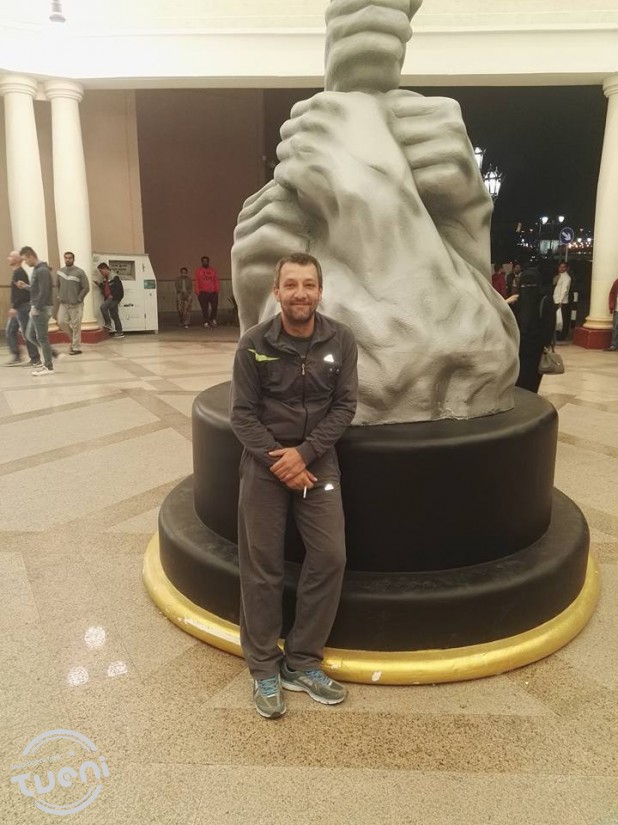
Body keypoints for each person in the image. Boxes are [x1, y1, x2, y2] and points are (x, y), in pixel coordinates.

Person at [230, 252, 358, 719]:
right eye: (291, 285)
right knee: (262, 565)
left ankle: (302, 660)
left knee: (330, 556)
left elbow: (344, 407)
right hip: (264, 464)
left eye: (308, 285)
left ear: (320, 291)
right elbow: (241, 415)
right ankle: (264, 666)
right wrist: (281, 461)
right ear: (276, 291)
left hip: (316, 463)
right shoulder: (253, 343)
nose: (300, 293)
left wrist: (304, 454)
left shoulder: (341, 340)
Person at [511, 267, 556, 393]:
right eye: (525, 285)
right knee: (531, 383)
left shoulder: (518, 302)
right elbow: (549, 327)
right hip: (535, 349)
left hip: (520, 348)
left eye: (531, 284)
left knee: (519, 382)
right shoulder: (545, 300)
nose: (528, 288)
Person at [19, 246, 55, 375]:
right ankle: (51, 353)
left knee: (41, 337)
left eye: (25, 259)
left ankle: (48, 366)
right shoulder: (37, 269)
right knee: (30, 335)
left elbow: (44, 292)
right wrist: (26, 286)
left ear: (31, 256)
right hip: (38, 307)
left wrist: (37, 307)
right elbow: (36, 290)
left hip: (42, 308)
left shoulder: (42, 270)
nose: (25, 263)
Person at [4, 250, 40, 367]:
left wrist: (14, 307)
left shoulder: (20, 273)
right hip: (18, 306)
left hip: (22, 307)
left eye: (11, 256)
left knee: (26, 333)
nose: (8, 258)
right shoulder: (16, 272)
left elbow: (22, 293)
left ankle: (35, 358)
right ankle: (17, 356)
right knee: (10, 331)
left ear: (17, 259)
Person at [56, 251, 90, 354]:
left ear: (73, 259)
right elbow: (58, 285)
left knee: (76, 326)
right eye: (66, 258)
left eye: (70, 258)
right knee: (61, 322)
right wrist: (59, 295)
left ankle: (76, 348)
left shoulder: (80, 272)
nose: (68, 259)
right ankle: (73, 339)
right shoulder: (60, 272)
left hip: (76, 304)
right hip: (63, 304)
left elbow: (86, 287)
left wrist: (79, 298)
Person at [94, 263, 124, 338]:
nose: (101, 273)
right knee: (114, 315)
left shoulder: (114, 277)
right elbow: (105, 287)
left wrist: (114, 297)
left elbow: (119, 289)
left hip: (113, 298)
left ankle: (108, 324)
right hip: (109, 298)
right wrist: (99, 284)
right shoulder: (106, 278)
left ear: (105, 269)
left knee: (103, 307)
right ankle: (120, 332)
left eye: (101, 271)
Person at [193, 256, 220, 327]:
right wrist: (197, 291)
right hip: (203, 292)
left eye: (206, 261)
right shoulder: (198, 271)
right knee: (205, 308)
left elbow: (216, 280)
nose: (205, 262)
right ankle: (206, 321)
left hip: (213, 292)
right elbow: (196, 281)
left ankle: (212, 319)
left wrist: (217, 289)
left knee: (214, 307)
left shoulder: (213, 270)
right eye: (204, 261)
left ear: (208, 262)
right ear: (202, 262)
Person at [606, 277, 618, 351]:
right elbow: (612, 293)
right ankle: (614, 345)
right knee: (615, 327)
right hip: (617, 309)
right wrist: (611, 304)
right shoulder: (617, 282)